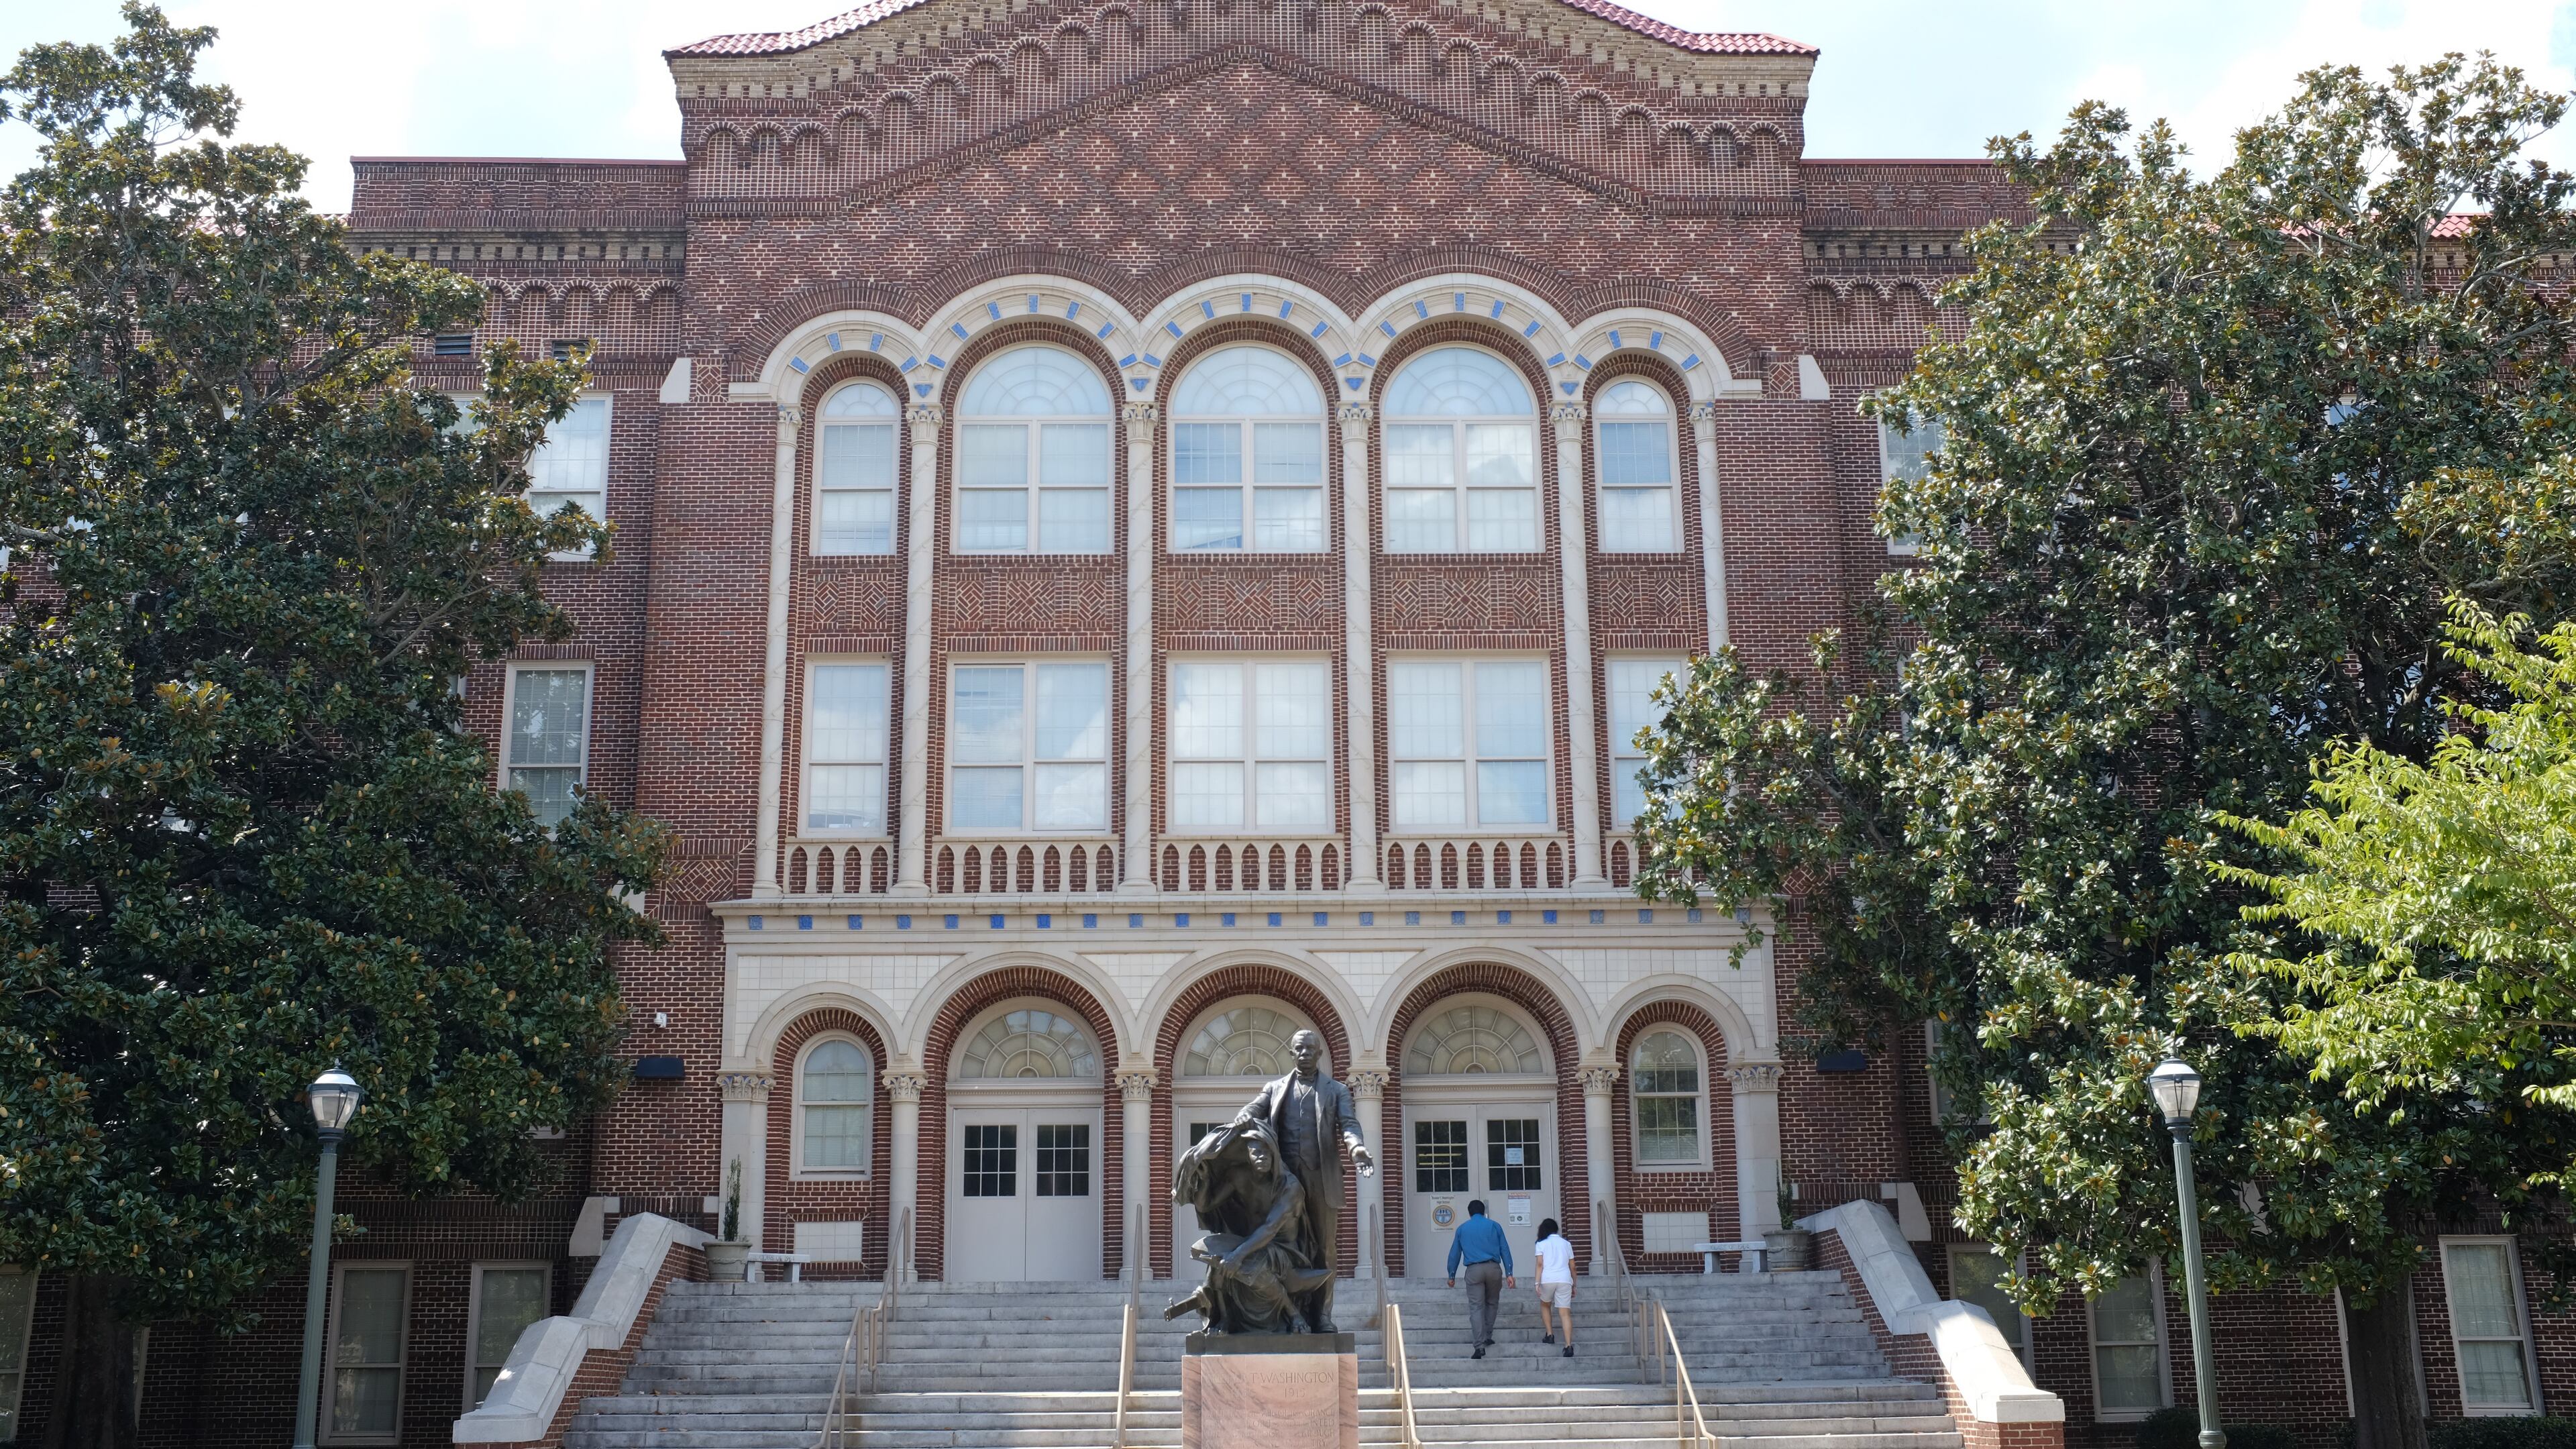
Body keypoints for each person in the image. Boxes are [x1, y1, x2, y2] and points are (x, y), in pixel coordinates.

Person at [1226, 1029, 1374, 1333]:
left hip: (1321, 1180)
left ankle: (1322, 1315)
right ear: (1291, 1054)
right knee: (1282, 1242)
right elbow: (1253, 1110)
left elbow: (1348, 1124)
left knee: (1324, 1248)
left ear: (1320, 1054)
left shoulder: (1337, 1091)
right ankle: (1285, 1313)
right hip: (1284, 1181)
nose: (1305, 1053)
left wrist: (1356, 1148)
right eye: (1299, 1049)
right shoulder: (1275, 1088)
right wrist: (1243, 1116)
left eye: (1310, 1049)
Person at [1444, 1199, 1514, 1358]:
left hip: (1474, 1270)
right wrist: (1509, 1272)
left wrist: (1452, 1275)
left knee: (1476, 1307)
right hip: (1494, 1268)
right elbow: (1505, 1249)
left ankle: (1479, 1345)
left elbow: (1455, 1253)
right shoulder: (1495, 1226)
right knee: (1492, 1303)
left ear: (1469, 1213)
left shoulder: (1462, 1229)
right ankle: (1488, 1335)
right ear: (1483, 1212)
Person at [1531, 1218, 1574, 1356]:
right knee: (1565, 1313)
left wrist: (1537, 1283)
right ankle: (1568, 1346)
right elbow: (1573, 1266)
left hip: (1548, 1279)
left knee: (1545, 1305)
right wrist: (1574, 1283)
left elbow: (1539, 1264)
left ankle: (1550, 1334)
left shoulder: (1541, 1243)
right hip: (1564, 1279)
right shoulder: (1566, 1244)